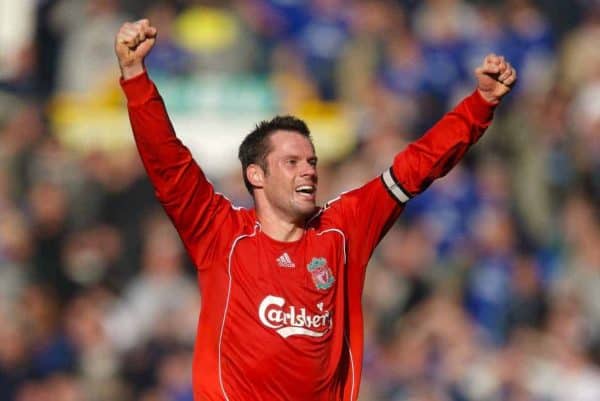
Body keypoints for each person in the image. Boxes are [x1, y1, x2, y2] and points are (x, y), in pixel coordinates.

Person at [115, 18, 517, 401]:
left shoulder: (342, 230)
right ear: (256, 175)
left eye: (311, 162)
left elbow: (415, 167)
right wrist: (135, 78)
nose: (308, 170)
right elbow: (168, 164)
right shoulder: (220, 232)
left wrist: (479, 106)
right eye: (292, 162)